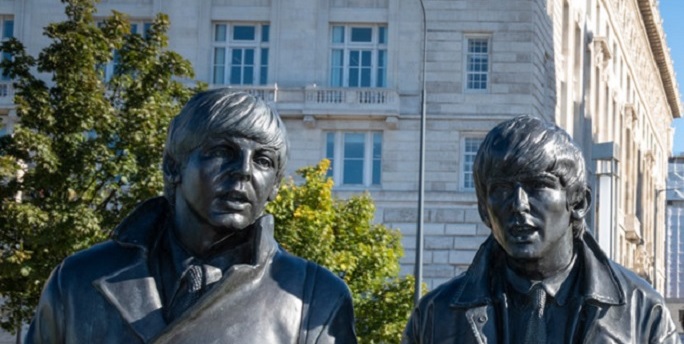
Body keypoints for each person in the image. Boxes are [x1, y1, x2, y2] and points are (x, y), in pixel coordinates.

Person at [26, 90, 357, 343]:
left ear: (274, 187)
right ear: (174, 167)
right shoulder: (77, 279)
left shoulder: (317, 299)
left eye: (263, 161)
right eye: (222, 152)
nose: (243, 171)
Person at [403, 115, 679, 343]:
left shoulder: (642, 313)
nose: (518, 205)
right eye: (501, 189)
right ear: (483, 210)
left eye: (537, 186)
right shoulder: (435, 314)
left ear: (579, 202)